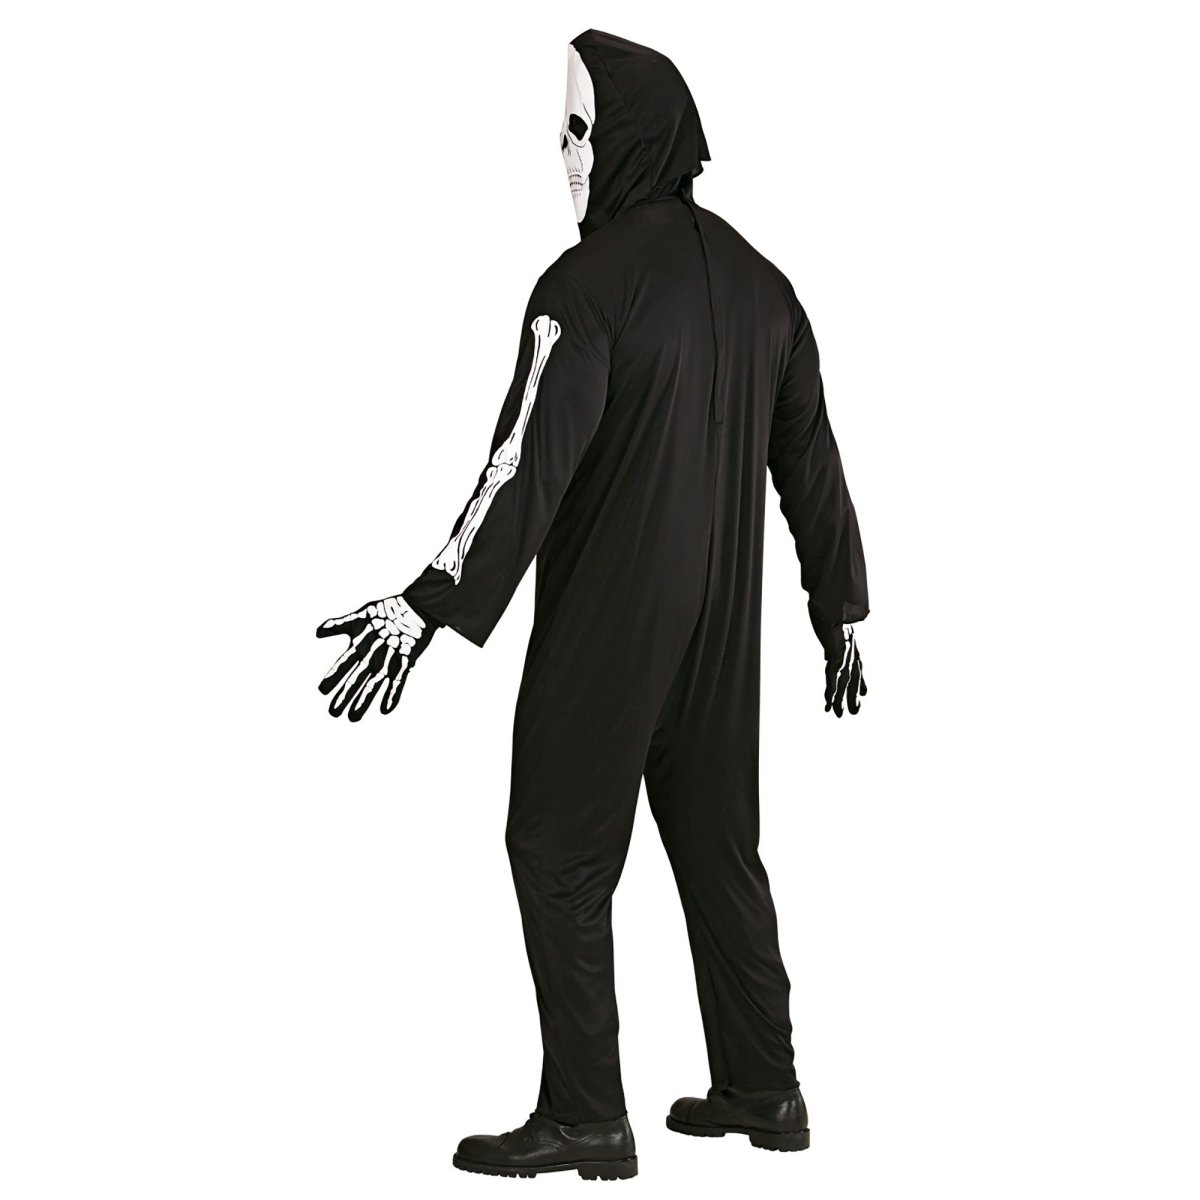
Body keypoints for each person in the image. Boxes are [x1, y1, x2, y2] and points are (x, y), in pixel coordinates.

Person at [316, 28, 869, 1182]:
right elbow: (811, 466)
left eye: (581, 130)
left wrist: (429, 601)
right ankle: (766, 1089)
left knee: (557, 850)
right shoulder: (769, 290)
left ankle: (587, 1116)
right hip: (724, 631)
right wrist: (841, 611)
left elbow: (526, 463)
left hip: (613, 625)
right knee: (719, 847)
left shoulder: (585, 287)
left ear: (631, 135)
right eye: (562, 134)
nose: (565, 156)